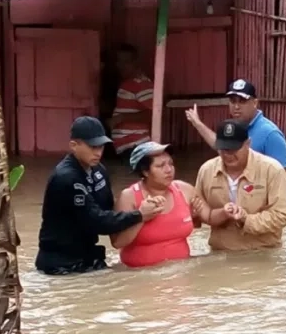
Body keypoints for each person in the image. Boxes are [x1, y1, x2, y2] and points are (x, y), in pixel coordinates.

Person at [35, 116, 165, 275]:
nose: (98, 152)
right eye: (92, 147)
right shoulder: (66, 178)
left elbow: (109, 208)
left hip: (89, 257)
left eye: (101, 147)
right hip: (62, 264)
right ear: (74, 146)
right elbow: (96, 221)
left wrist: (143, 203)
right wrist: (139, 215)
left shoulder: (99, 170)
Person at [195, 119, 286, 251]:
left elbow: (281, 215)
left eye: (234, 149)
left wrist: (246, 220)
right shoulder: (206, 171)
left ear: (248, 143)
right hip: (220, 253)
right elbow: (198, 214)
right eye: (223, 149)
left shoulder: (272, 170)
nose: (228, 155)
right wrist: (220, 214)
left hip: (262, 253)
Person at [111, 142, 210, 268]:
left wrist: (197, 217)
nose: (169, 170)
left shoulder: (185, 190)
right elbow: (118, 242)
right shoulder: (129, 197)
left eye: (170, 164)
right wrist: (141, 216)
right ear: (145, 171)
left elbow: (207, 219)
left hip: (182, 273)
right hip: (140, 276)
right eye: (160, 166)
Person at [185, 79, 286, 171]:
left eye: (242, 101)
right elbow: (220, 146)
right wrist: (198, 124)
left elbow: (283, 175)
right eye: (233, 101)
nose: (236, 106)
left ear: (255, 103)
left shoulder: (271, 134)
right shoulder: (235, 126)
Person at [108, 44, 153, 160]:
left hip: (135, 145)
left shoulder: (140, 83)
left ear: (136, 63)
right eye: (119, 62)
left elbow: (153, 114)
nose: (121, 66)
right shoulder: (128, 83)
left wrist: (121, 118)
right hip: (127, 146)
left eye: (126, 62)